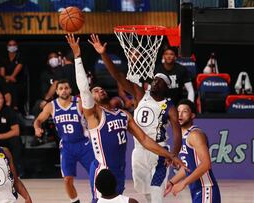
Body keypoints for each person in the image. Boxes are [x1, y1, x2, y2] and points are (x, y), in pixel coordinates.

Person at [66, 33, 185, 203]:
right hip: (104, 171)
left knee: (153, 193)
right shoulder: (95, 114)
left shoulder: (124, 115)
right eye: (96, 91)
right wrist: (80, 57)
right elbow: (89, 88)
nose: (100, 91)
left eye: (101, 89)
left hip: (127, 166)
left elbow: (144, 138)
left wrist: (171, 154)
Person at [34, 79, 95, 203]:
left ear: (70, 90)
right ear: (56, 91)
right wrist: (37, 128)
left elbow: (93, 114)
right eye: (61, 88)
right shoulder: (51, 106)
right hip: (67, 146)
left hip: (84, 144)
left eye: (66, 88)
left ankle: (97, 199)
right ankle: (75, 201)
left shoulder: (79, 102)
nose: (64, 90)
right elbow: (38, 120)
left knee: (95, 175)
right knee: (67, 179)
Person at [164, 99, 221, 203]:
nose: (180, 114)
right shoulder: (182, 137)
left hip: (206, 189)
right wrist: (172, 182)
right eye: (178, 111)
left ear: (193, 115)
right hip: (197, 191)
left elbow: (206, 164)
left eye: (185, 111)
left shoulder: (195, 135)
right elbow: (188, 168)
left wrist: (183, 183)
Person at [0, 39, 26, 113]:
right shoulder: (4, 57)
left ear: (17, 46)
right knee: (7, 85)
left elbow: (17, 69)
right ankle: (8, 107)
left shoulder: (20, 56)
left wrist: (11, 77)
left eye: (14, 45)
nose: (12, 47)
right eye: (10, 45)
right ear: (7, 47)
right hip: (6, 81)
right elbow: (2, 74)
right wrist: (8, 78)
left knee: (14, 86)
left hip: (18, 81)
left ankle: (15, 107)